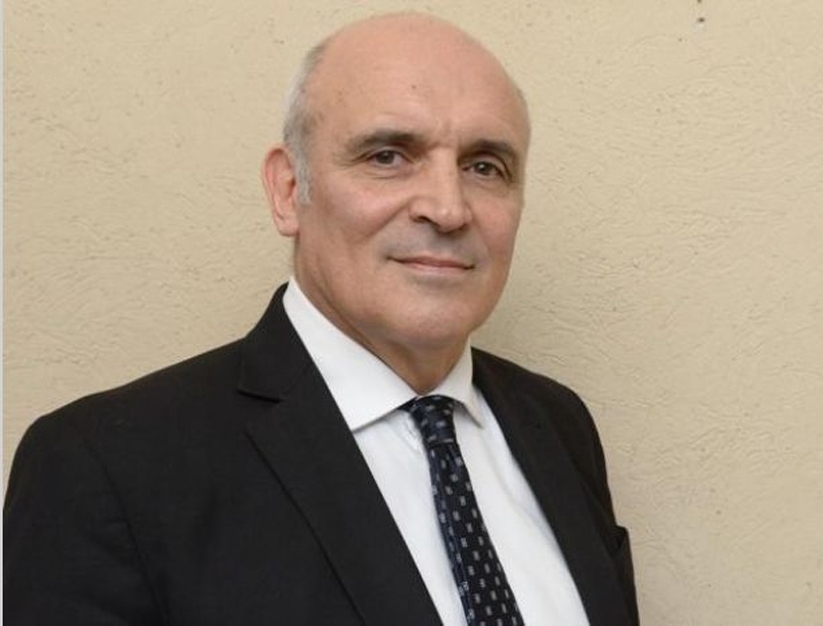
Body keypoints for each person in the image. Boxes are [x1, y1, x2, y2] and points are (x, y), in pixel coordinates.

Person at [4, 13, 638, 626]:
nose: (448, 209)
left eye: (484, 167)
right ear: (289, 191)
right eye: (388, 156)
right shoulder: (107, 469)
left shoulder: (557, 426)